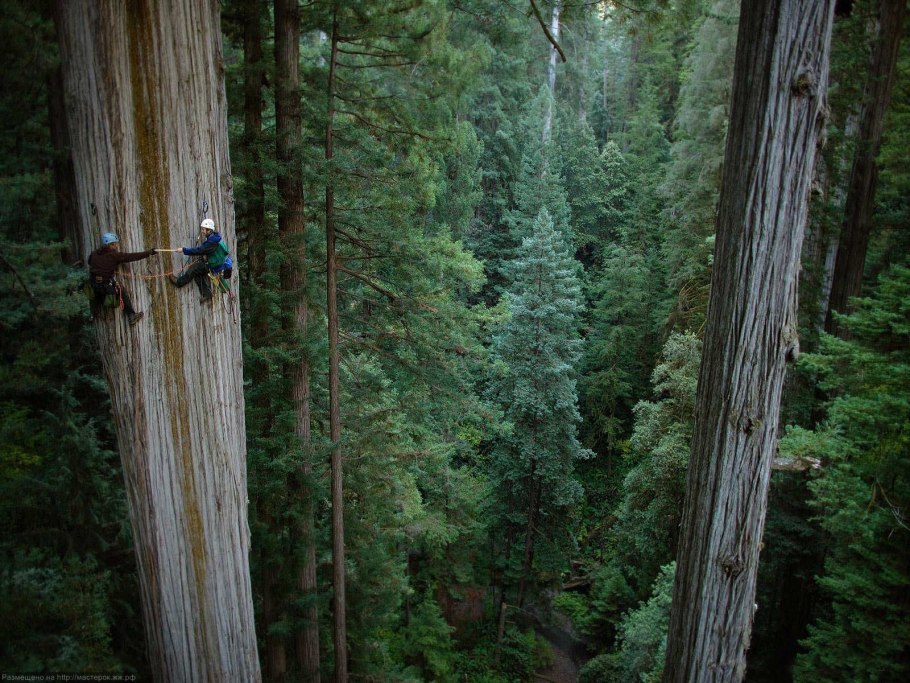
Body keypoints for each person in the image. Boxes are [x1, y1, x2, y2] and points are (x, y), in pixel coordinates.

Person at [87, 232, 157, 326]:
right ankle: (131, 315)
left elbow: (89, 262)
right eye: (114, 244)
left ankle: (92, 314)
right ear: (110, 245)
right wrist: (149, 252)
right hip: (106, 288)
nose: (116, 246)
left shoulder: (94, 254)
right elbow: (132, 257)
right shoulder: (115, 256)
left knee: (94, 292)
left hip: (93, 285)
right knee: (121, 289)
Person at [169, 218, 231, 304]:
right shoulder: (215, 237)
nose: (202, 231)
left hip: (214, 266)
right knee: (197, 274)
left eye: (203, 229)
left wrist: (184, 250)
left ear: (209, 230)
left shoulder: (212, 241)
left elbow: (199, 250)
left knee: (194, 269)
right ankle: (207, 293)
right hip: (217, 263)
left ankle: (179, 282)